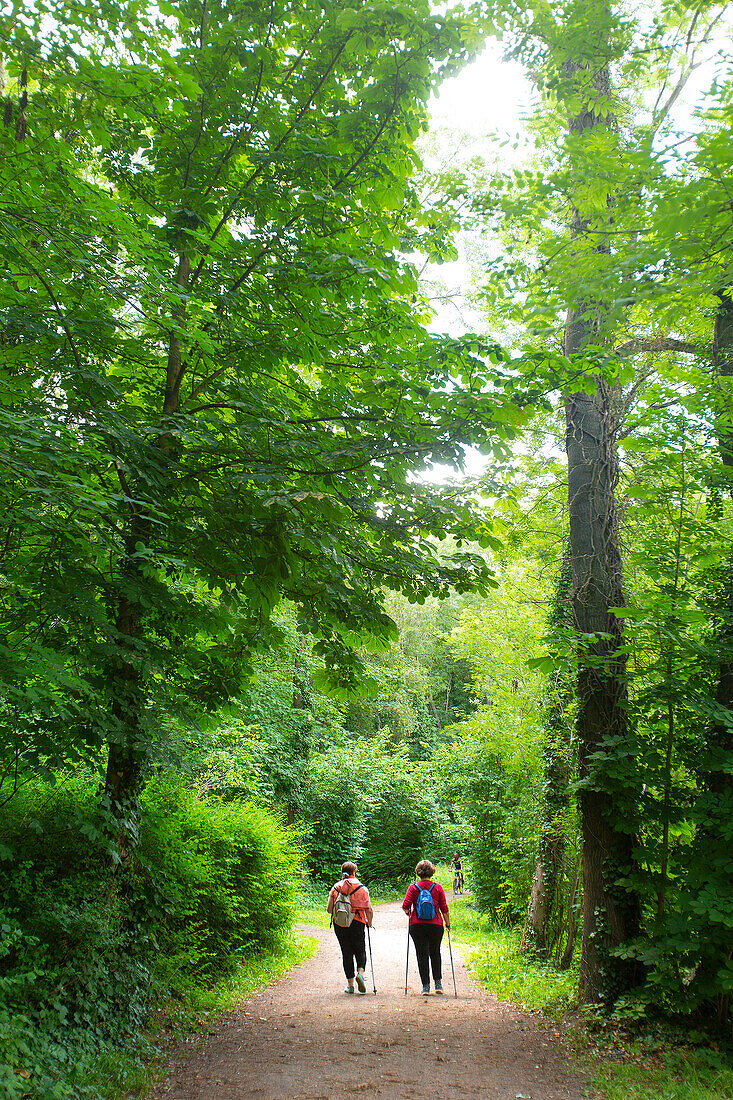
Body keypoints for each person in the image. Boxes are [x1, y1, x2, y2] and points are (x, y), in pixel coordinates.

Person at [402, 859, 450, 995]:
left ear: (418, 872)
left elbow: (405, 906)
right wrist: (447, 923)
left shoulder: (413, 887)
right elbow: (444, 908)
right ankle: (438, 984)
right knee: (435, 952)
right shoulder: (438, 887)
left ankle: (425, 987)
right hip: (435, 925)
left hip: (417, 925)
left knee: (421, 954)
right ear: (431, 871)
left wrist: (411, 915)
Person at [327, 860, 373, 994]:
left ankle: (350, 985)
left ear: (342, 872)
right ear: (354, 872)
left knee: (346, 952)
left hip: (340, 924)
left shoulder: (336, 887)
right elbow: (369, 909)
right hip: (357, 922)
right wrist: (369, 922)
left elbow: (329, 909)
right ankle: (361, 973)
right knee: (360, 949)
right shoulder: (362, 888)